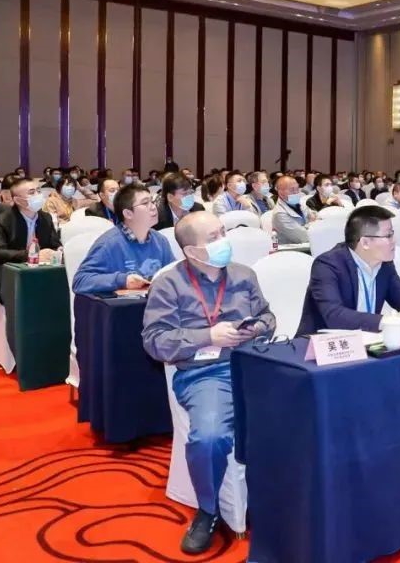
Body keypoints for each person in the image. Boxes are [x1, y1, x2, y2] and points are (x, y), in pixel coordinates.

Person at [141, 211, 275, 555]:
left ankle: (289, 496)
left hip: (256, 364)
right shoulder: (169, 284)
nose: (223, 241)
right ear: (192, 251)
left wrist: (254, 329)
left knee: (314, 407)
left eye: (222, 233)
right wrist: (208, 336)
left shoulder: (244, 274)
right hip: (206, 373)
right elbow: (155, 342)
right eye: (213, 238)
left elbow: (268, 318)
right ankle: (207, 509)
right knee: (210, 435)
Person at [298, 207, 400, 336]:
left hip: (366, 341)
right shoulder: (328, 265)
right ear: (365, 243)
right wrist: (388, 321)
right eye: (388, 235)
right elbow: (334, 315)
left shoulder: (384, 264)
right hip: (322, 347)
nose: (394, 241)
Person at [73, 183, 176, 294]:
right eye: (145, 203)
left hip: (156, 302)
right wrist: (122, 280)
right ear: (128, 213)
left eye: (152, 201)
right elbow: (80, 281)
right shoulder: (109, 243)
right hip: (126, 304)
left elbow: (174, 274)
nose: (153, 207)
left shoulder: (160, 240)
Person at [0, 176, 62, 303]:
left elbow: (55, 244)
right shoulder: (2, 221)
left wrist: (58, 251)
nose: (38, 195)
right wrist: (31, 255)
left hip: (43, 272)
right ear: (17, 200)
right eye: (32, 193)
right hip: (11, 276)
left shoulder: (46, 218)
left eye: (38, 191)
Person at [272, 175, 315, 244]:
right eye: (292, 190)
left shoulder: (299, 203)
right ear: (281, 192)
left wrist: (305, 227)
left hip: (309, 244)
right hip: (292, 248)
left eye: (297, 189)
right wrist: (312, 225)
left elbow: (316, 217)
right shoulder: (280, 214)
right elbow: (303, 237)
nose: (296, 192)